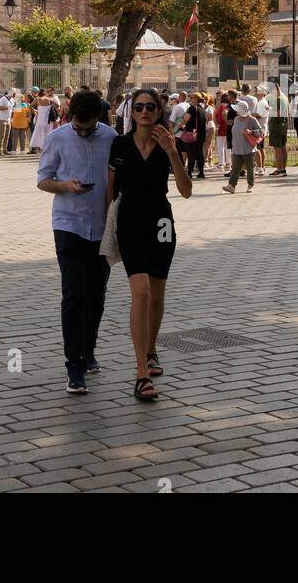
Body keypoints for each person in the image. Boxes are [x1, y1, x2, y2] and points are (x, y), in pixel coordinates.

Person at [107, 88, 192, 402]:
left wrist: (172, 152)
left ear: (158, 112)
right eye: (139, 107)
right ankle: (141, 373)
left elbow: (186, 191)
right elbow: (110, 189)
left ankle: (152, 349)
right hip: (130, 222)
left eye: (150, 107)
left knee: (157, 295)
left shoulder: (168, 144)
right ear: (132, 112)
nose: (144, 112)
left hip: (161, 224)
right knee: (141, 294)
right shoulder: (120, 144)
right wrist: (106, 227)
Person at [37, 88, 117, 393]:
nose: (83, 133)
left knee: (96, 295)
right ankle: (74, 364)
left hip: (102, 226)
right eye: (78, 128)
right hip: (68, 225)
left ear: (99, 118)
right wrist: (65, 186)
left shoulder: (110, 137)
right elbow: (43, 180)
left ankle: (89, 348)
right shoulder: (57, 138)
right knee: (73, 294)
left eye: (89, 128)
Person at [222, 97, 265, 193]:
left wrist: (251, 132)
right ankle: (231, 186)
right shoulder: (236, 119)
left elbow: (261, 132)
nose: (236, 111)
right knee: (235, 169)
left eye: (237, 109)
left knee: (250, 168)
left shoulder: (252, 120)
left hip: (248, 150)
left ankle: (250, 185)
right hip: (236, 149)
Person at [266, 83, 290, 175]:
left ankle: (279, 169)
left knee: (277, 148)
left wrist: (268, 109)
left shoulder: (278, 99)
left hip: (277, 126)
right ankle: (283, 169)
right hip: (283, 125)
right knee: (283, 147)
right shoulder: (285, 97)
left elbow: (278, 114)